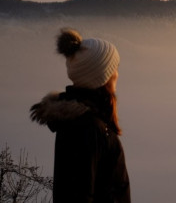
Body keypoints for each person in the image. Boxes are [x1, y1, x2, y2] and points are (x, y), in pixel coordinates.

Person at [30, 28, 131, 203]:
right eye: (114, 68)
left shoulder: (87, 122)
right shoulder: (88, 128)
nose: (117, 74)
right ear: (102, 77)